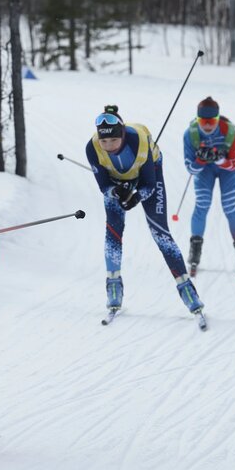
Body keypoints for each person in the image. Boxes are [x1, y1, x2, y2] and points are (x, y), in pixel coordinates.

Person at [84, 104, 204, 317]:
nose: (109, 146)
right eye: (104, 141)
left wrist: (136, 197)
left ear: (122, 134)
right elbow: (104, 186)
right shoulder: (92, 148)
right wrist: (117, 192)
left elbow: (149, 183)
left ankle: (186, 288)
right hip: (116, 180)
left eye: (113, 140)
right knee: (113, 230)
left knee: (160, 233)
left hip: (148, 174)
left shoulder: (138, 140)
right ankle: (113, 285)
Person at [182, 96, 235, 275]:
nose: (207, 125)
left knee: (229, 206)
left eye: (211, 121)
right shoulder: (190, 134)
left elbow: (234, 163)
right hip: (205, 170)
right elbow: (191, 169)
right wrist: (201, 159)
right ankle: (194, 251)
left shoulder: (229, 132)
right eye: (203, 121)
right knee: (202, 204)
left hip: (228, 171)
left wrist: (220, 159)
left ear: (218, 119)